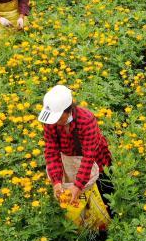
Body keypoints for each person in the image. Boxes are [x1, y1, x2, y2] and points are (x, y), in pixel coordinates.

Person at [38, 85, 114, 215]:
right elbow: (51, 152)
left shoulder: (86, 120)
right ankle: (85, 225)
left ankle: (110, 221)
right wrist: (56, 182)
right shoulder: (50, 122)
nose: (54, 123)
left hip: (96, 162)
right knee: (79, 205)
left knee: (104, 193)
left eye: (57, 118)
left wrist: (78, 185)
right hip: (70, 160)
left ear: (68, 111)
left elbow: (89, 157)